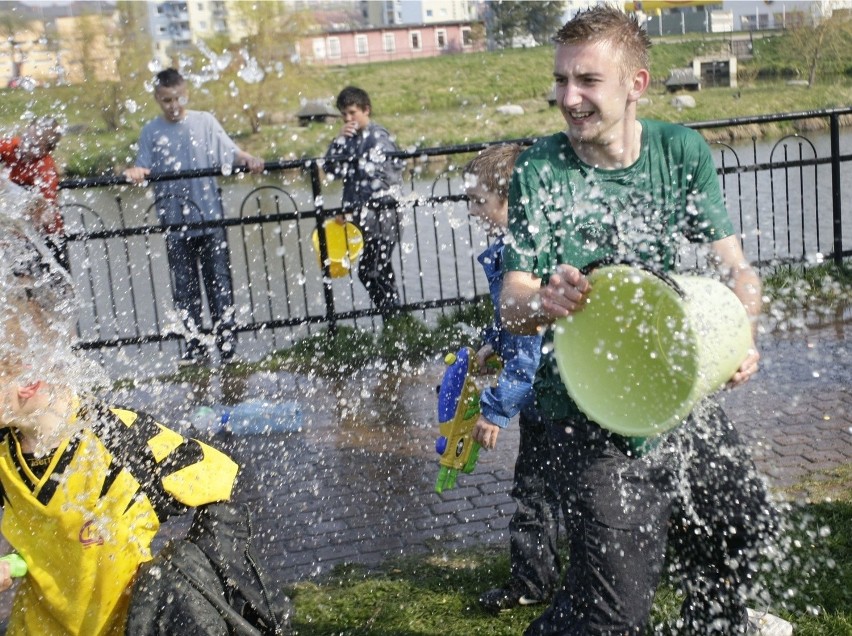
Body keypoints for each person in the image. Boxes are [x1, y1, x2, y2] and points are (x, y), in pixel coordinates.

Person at [499, 6, 791, 636]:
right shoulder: (540, 170)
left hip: (673, 388)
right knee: (613, 620)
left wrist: (741, 334)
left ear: (637, 84)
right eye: (560, 81)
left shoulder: (678, 152)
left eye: (587, 81)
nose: (567, 98)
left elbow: (739, 273)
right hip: (585, 414)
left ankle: (712, 626)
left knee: (745, 522)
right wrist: (544, 301)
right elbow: (511, 300)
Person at [0, 226, 242, 635]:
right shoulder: (6, 455)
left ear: (27, 384)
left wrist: (188, 576)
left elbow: (219, 481)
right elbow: (48, 538)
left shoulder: (121, 439)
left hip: (123, 625)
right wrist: (13, 563)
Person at [463, 144, 563, 613]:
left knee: (534, 492)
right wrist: (489, 343)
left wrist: (496, 410)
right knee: (567, 489)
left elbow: (529, 345)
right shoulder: (536, 244)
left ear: (512, 203)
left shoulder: (516, 255)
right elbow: (511, 323)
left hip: (543, 398)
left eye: (479, 200)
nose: (472, 210)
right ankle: (573, 570)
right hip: (563, 393)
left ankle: (531, 581)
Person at [124, 68, 265, 366]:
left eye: (177, 98)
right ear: (157, 99)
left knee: (220, 285)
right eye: (166, 100)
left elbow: (232, 152)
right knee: (184, 289)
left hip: (210, 218)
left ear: (185, 92)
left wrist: (248, 159)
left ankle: (227, 349)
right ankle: (194, 349)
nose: (173, 105)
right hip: (174, 222)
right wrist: (135, 172)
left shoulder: (204, 122)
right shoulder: (151, 131)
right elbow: (143, 167)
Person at [323, 85, 405, 317]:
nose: (348, 119)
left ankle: (394, 316)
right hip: (364, 219)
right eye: (344, 114)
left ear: (366, 110)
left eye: (352, 113)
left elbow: (385, 177)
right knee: (379, 271)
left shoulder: (378, 137)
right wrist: (338, 140)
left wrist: (352, 209)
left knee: (371, 272)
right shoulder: (349, 139)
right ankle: (395, 320)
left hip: (383, 217)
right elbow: (330, 169)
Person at [0, 116, 67, 269]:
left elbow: (47, 216)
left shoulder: (45, 170)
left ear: (45, 150)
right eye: (25, 138)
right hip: (16, 232)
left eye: (33, 144)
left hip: (47, 239)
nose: (25, 146)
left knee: (53, 287)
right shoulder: (14, 146)